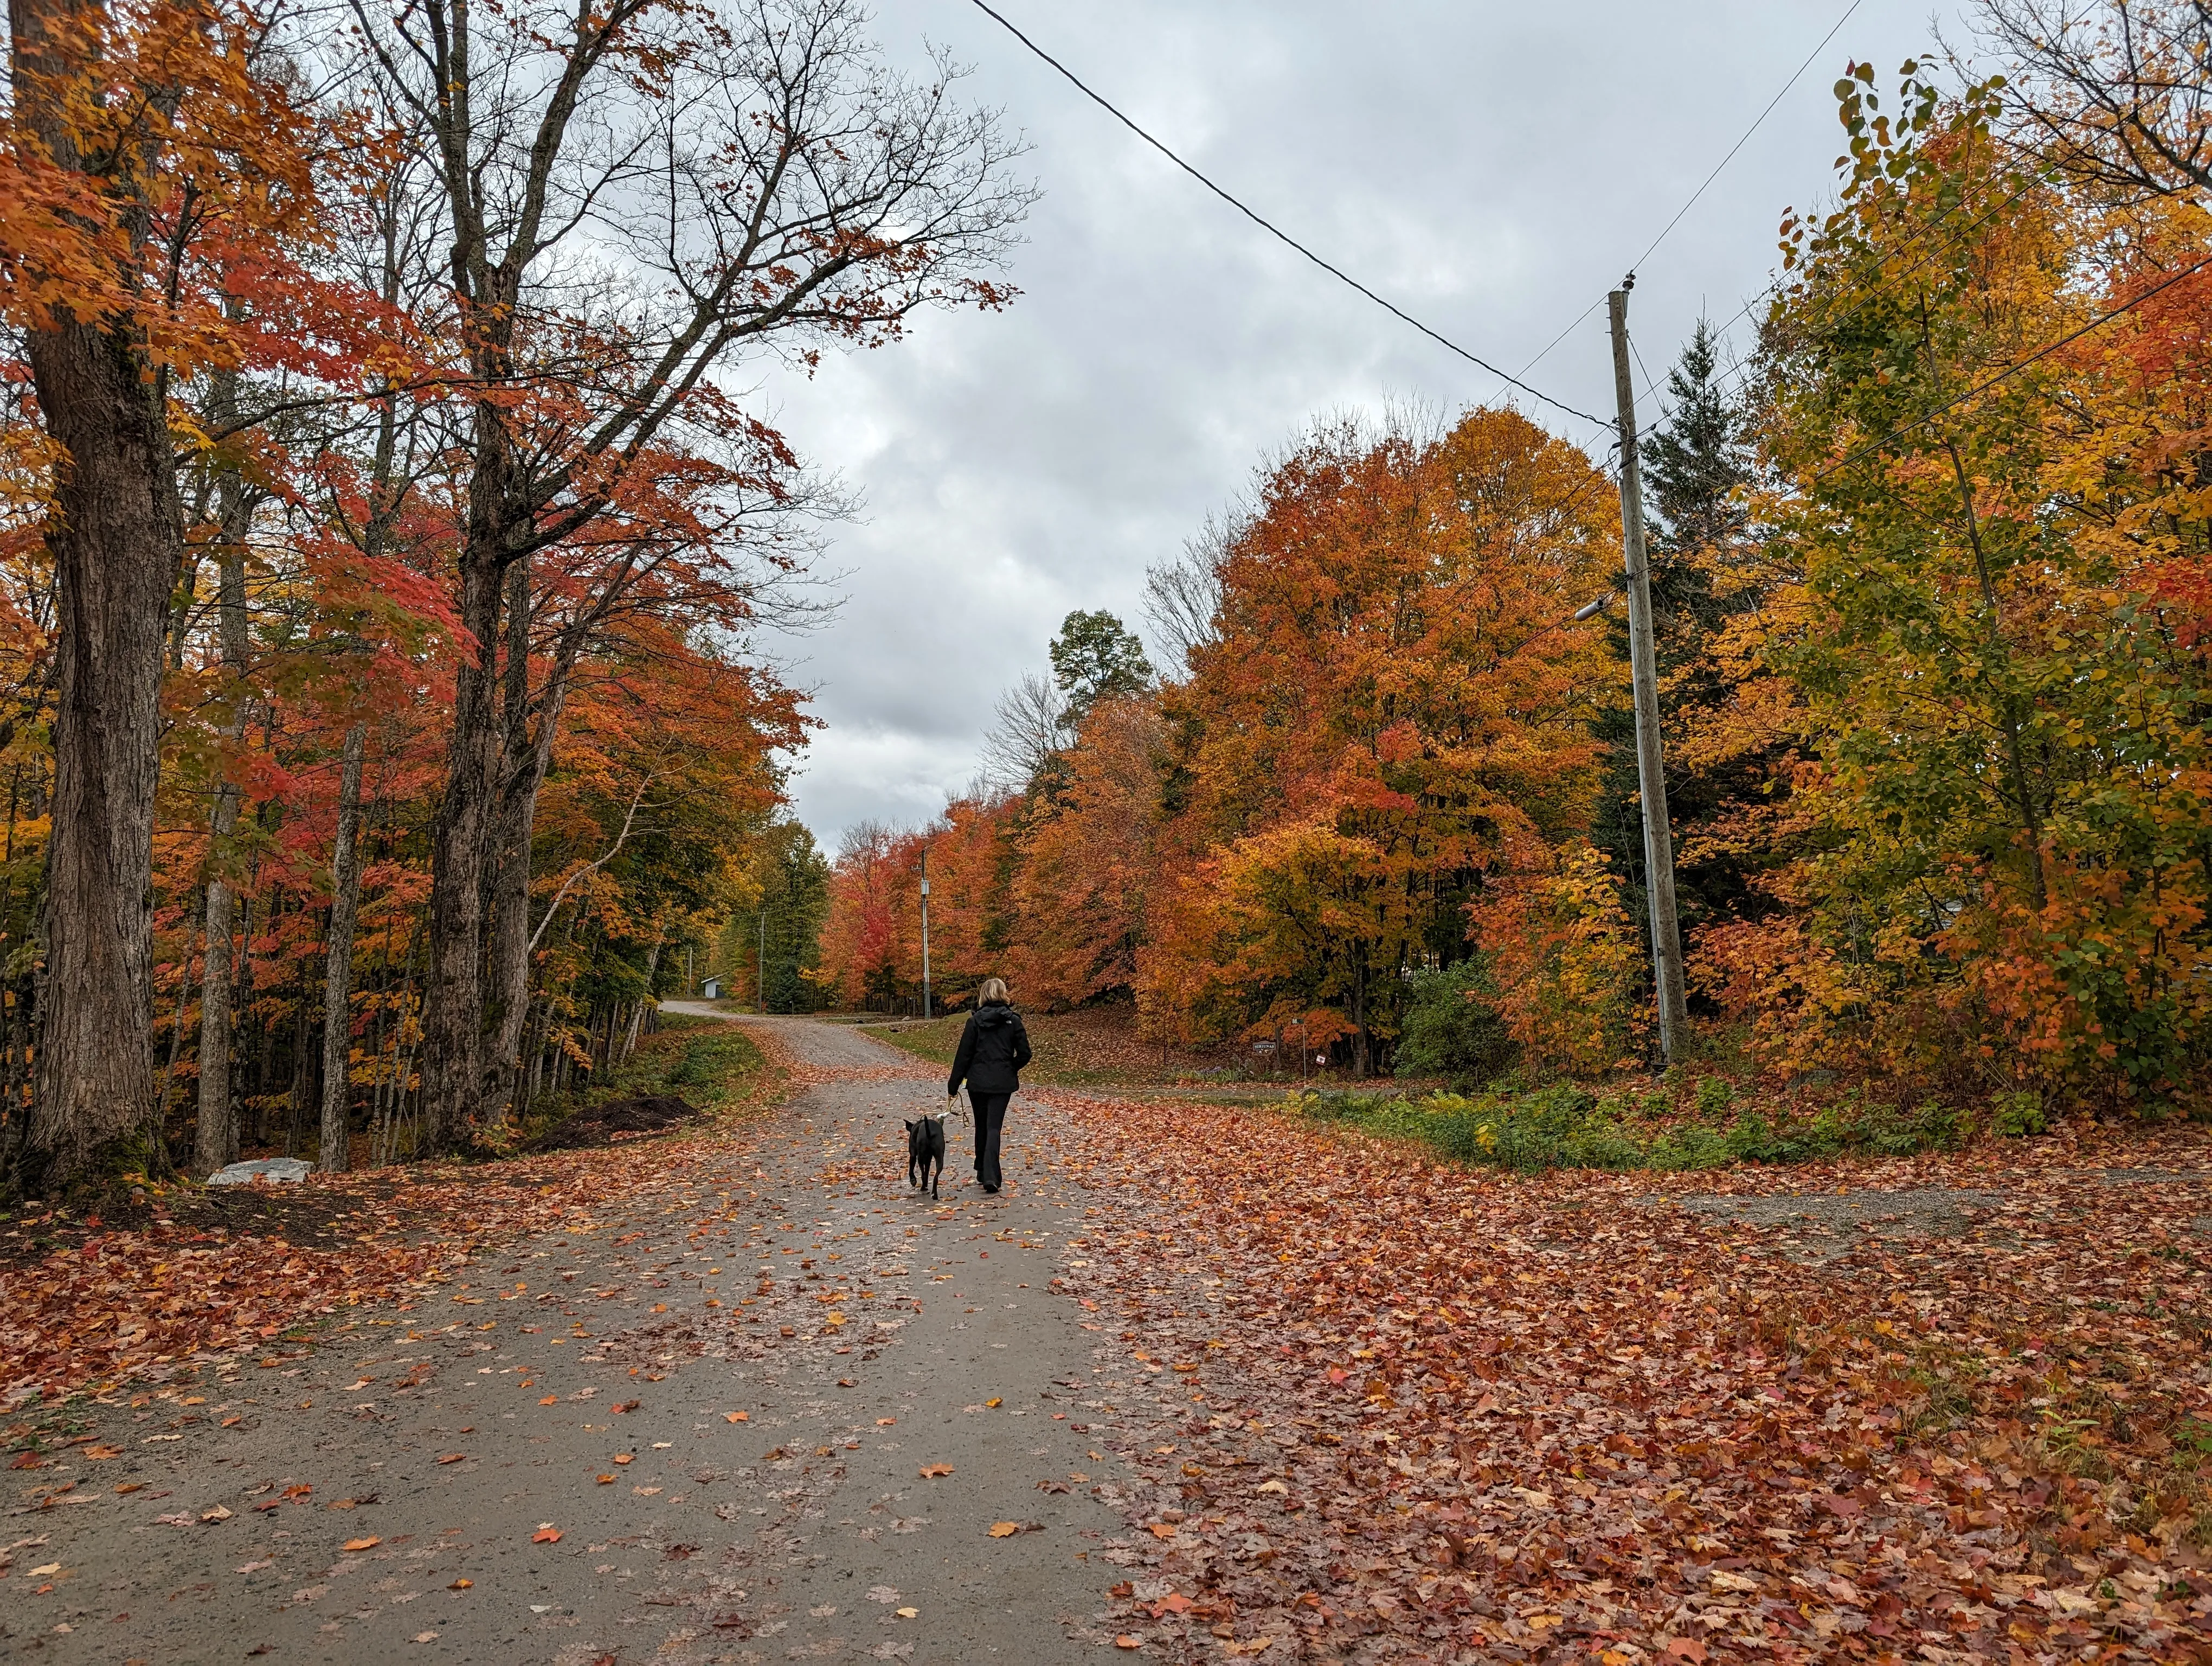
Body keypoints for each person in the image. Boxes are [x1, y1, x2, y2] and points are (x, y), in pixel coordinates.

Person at [946, 977, 1032, 1193]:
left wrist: (953, 1085)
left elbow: (963, 1056)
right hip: (1002, 1083)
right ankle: (990, 1174)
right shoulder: (1014, 1021)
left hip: (978, 1081)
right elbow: (1025, 1054)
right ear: (1003, 993)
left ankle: (984, 1171)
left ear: (984, 995)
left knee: (982, 1125)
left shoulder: (974, 1022)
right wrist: (1010, 1067)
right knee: (994, 1127)